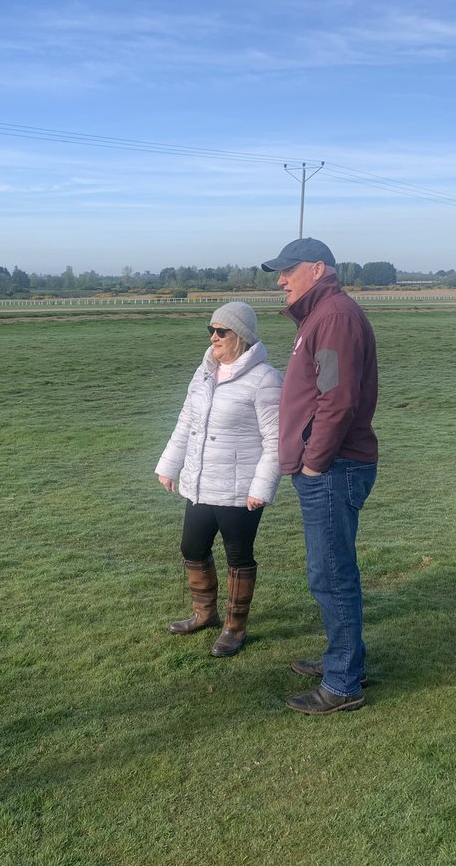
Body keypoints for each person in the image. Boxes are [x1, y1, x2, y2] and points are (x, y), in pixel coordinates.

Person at [260, 238, 379, 715]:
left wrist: (313, 460)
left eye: (288, 270)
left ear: (317, 268)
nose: (280, 279)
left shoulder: (332, 317)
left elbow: (337, 398)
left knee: (330, 575)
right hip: (328, 465)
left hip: (332, 467)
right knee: (329, 571)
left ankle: (343, 682)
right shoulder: (322, 314)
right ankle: (343, 660)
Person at [155, 301, 283, 657]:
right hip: (200, 484)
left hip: (241, 492)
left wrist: (261, 488)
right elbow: (186, 423)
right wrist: (169, 465)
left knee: (238, 558)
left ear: (239, 336)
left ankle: (234, 628)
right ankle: (204, 614)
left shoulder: (266, 379)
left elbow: (276, 440)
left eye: (221, 331)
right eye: (210, 330)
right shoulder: (205, 372)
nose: (213, 337)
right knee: (192, 549)